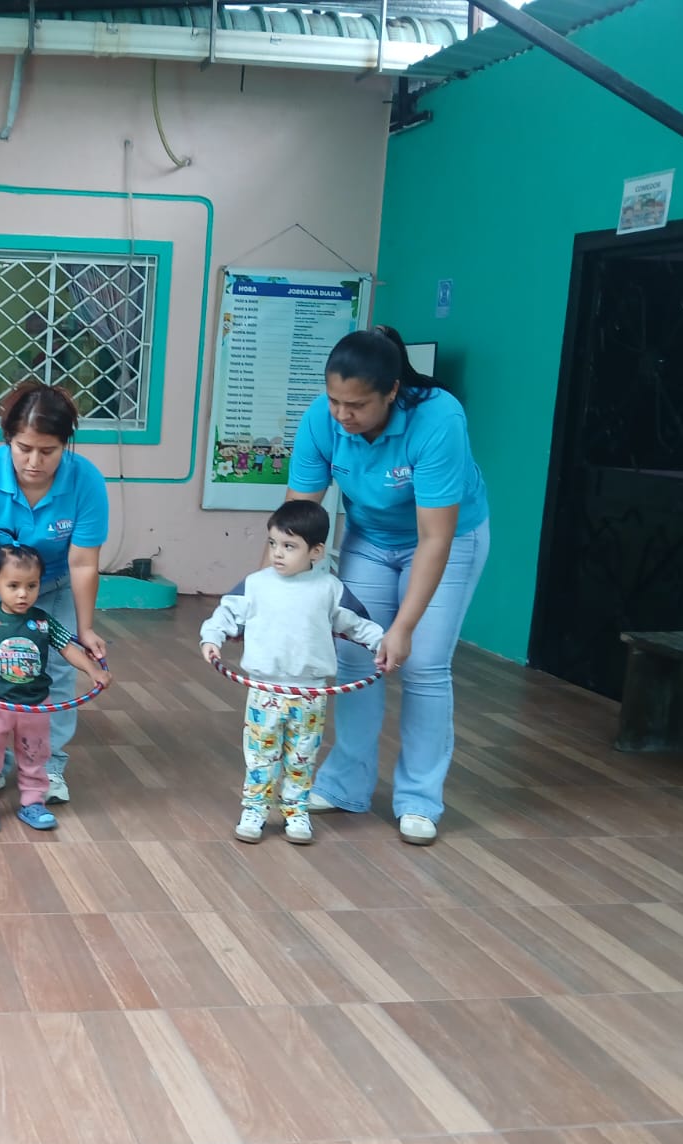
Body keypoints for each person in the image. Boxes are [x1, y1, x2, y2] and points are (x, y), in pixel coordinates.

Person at [282, 327, 490, 845]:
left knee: (423, 664)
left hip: (445, 540)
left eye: (356, 405)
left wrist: (404, 626)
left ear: (392, 391)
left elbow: (435, 538)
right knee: (355, 658)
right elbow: (296, 522)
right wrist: (268, 596)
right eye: (334, 400)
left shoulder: (438, 419)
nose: (342, 415)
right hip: (370, 539)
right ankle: (345, 785)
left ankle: (419, 799)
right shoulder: (321, 419)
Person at [0, 382, 109, 803]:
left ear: (65, 445)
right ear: (8, 440)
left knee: (60, 668)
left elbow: (83, 563)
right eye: (24, 448)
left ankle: (49, 766)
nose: (34, 462)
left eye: (48, 451)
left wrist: (86, 629)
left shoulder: (85, 480)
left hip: (55, 583)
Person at [200, 501, 384, 846]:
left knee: (302, 756)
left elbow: (358, 625)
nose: (277, 553)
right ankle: (254, 809)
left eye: (289, 546)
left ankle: (296, 810)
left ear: (316, 551)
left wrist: (383, 645)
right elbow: (226, 614)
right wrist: (212, 637)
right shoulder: (256, 584)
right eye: (273, 543)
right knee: (260, 756)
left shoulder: (329, 588)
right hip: (265, 690)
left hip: (309, 693)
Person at [0, 544, 111, 833]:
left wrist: (93, 670)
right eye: (14, 586)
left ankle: (33, 802)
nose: (23, 594)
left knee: (35, 754)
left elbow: (68, 648)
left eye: (31, 586)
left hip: (35, 705)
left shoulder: (43, 621)